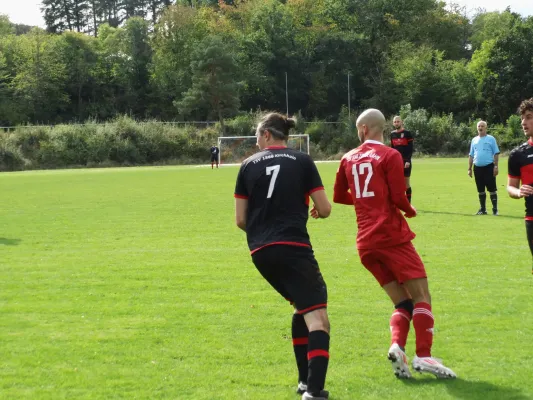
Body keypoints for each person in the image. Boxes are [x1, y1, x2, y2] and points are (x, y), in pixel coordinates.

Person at [333, 108, 456, 380]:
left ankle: (397, 348)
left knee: (403, 302)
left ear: (363, 129)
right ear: (379, 128)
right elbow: (400, 197)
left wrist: (367, 201)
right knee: (423, 295)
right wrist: (409, 210)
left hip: (365, 243)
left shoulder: (347, 158)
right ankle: (424, 355)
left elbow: (339, 196)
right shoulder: (390, 155)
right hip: (391, 236)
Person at [234, 112, 332, 400]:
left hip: (261, 251)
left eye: (256, 136)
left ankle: (304, 383)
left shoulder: (247, 165)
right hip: (294, 248)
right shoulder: (302, 160)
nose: (256, 141)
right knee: (319, 320)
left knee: (301, 308)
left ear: (266, 134)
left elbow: (240, 220)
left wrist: (264, 229)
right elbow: (324, 209)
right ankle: (313, 392)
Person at [507, 98, 533, 274]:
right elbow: (511, 187)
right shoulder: (517, 155)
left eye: (529, 117)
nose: (523, 122)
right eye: (522, 118)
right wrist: (519, 191)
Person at [468, 121, 500, 215]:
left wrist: (496, 166)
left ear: (486, 128)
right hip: (477, 168)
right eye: (479, 126)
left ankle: (495, 210)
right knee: (480, 189)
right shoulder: (474, 140)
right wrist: (469, 168)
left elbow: (496, 153)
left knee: (492, 189)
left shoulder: (491, 139)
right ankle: (483, 209)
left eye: (482, 126)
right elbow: (471, 155)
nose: (480, 127)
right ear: (477, 128)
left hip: (489, 167)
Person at [390, 116, 414, 203]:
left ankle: (408, 202)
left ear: (401, 122)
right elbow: (392, 149)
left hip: (405, 161)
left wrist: (407, 160)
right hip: (396, 162)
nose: (396, 123)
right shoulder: (392, 134)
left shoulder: (407, 133)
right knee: (396, 182)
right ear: (393, 123)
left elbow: (410, 148)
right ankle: (398, 202)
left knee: (406, 182)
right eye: (395, 122)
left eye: (398, 121)